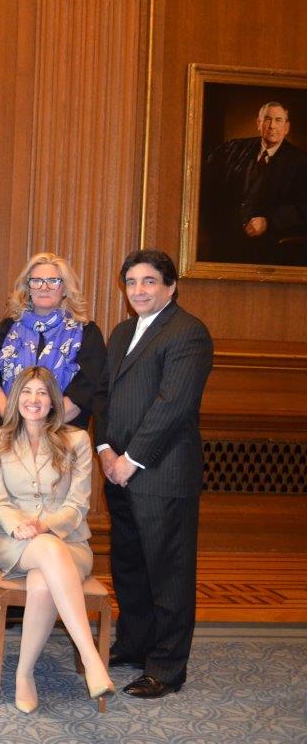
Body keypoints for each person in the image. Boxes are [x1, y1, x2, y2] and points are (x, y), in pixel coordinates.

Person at [96, 249, 213, 699]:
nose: (139, 290)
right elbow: (105, 394)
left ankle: (166, 667)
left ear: (170, 286)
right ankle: (135, 643)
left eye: (148, 281)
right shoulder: (123, 331)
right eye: (131, 282)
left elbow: (173, 404)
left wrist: (132, 459)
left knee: (168, 570)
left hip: (161, 472)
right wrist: (106, 449)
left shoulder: (188, 333)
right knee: (129, 565)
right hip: (118, 468)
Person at [0, 365, 115, 712]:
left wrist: (45, 526)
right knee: (43, 551)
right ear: (16, 399)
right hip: (14, 541)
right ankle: (91, 659)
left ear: (53, 400)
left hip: (69, 541)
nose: (34, 399)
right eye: (26, 392)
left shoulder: (77, 440)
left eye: (42, 392)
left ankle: (24, 674)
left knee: (42, 583)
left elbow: (78, 504)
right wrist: (20, 527)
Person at [0, 252, 106, 430]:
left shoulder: (87, 332)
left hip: (62, 436)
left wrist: (41, 428)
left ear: (66, 289)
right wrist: (15, 420)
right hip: (9, 432)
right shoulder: (8, 328)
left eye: (53, 281)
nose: (44, 287)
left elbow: (85, 392)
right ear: (27, 288)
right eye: (36, 281)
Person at [200, 101, 307, 266]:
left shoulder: (300, 162)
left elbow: (303, 207)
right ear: (259, 124)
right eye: (267, 119)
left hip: (271, 248)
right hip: (226, 242)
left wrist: (269, 222)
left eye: (278, 120)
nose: (272, 126)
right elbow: (204, 179)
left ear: (287, 127)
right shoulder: (233, 149)